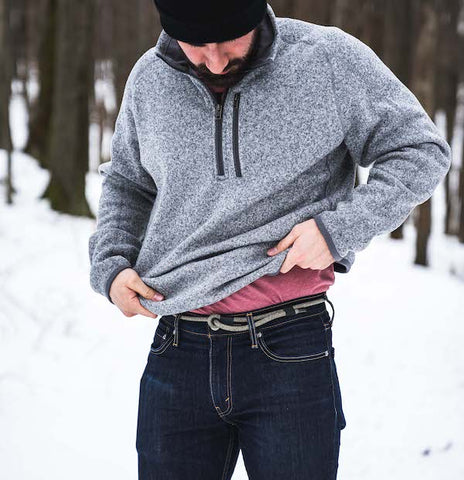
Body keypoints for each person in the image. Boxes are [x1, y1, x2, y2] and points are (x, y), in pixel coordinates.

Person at [88, 1, 452, 478]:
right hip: (179, 347)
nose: (214, 60)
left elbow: (420, 150)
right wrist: (111, 266)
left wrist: (337, 230)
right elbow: (129, 184)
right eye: (196, 45)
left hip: (290, 347)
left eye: (227, 41)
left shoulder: (326, 59)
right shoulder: (150, 79)